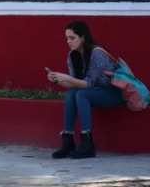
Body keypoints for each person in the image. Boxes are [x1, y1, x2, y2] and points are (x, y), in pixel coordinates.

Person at [48, 20, 123, 159]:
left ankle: (87, 141)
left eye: (72, 38)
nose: (68, 42)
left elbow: (87, 84)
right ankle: (68, 139)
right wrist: (58, 80)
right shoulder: (72, 56)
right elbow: (75, 84)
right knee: (72, 94)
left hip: (113, 93)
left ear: (82, 37)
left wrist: (68, 78)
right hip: (93, 92)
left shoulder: (97, 53)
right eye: (67, 38)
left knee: (82, 94)